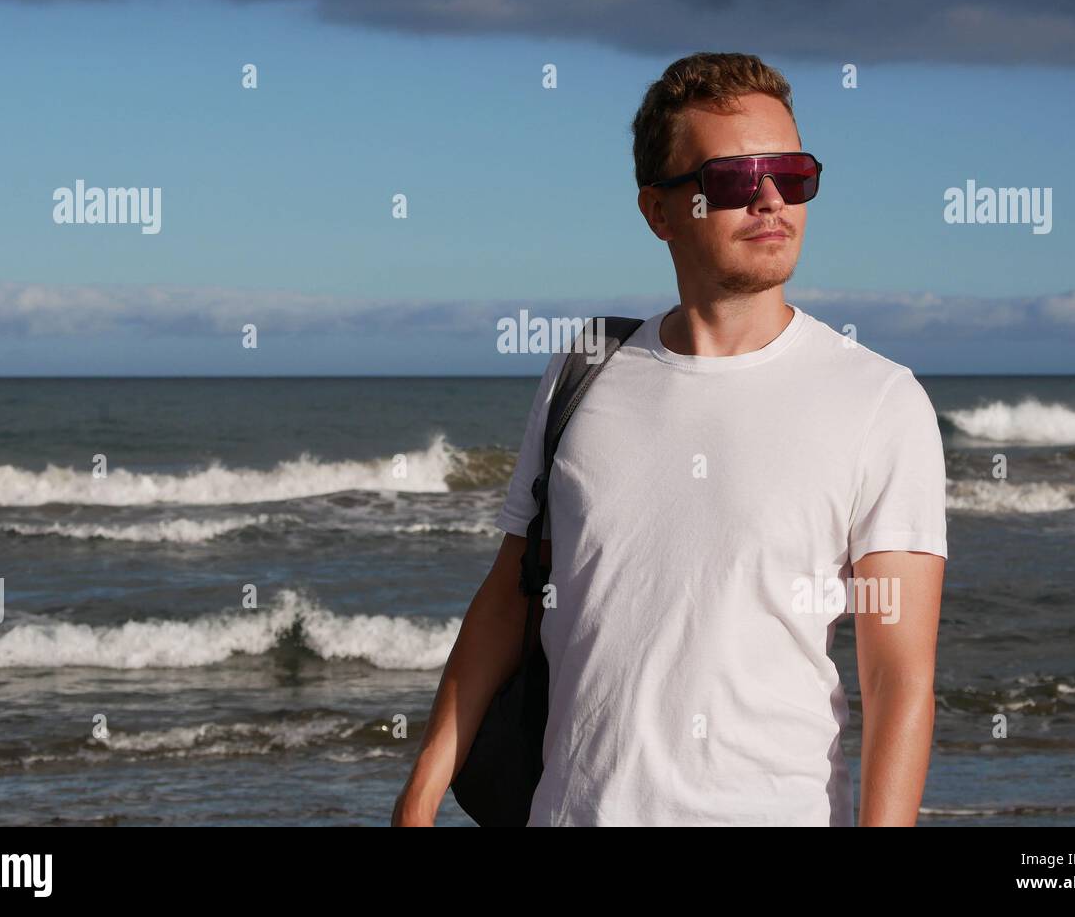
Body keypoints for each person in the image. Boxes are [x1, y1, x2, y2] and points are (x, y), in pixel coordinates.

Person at [393, 51, 947, 826]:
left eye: (791, 173)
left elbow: (898, 681)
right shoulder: (584, 370)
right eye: (731, 179)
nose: (769, 199)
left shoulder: (879, 399)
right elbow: (508, 595)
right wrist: (421, 791)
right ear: (659, 212)